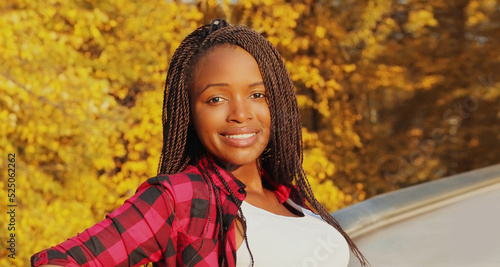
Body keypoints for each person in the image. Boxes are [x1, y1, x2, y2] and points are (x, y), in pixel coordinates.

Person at [31, 19, 368, 267]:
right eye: (216, 99)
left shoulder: (287, 196)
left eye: (256, 94)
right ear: (189, 112)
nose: (240, 113)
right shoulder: (180, 198)